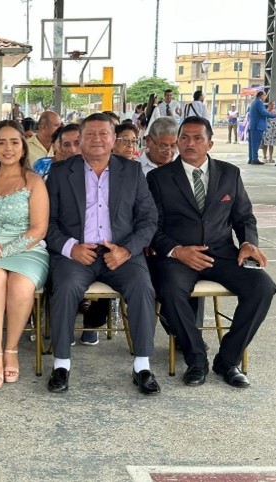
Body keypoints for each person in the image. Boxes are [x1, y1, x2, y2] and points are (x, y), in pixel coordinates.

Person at [147, 116, 276, 388]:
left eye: (197, 138)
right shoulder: (158, 178)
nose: (190, 143)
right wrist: (176, 251)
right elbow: (151, 226)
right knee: (169, 290)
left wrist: (248, 242)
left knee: (262, 287)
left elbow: (244, 217)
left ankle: (228, 360)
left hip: (222, 254)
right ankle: (196, 360)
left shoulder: (230, 174)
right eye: (184, 138)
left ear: (210, 144)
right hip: (179, 257)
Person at [45, 112, 160, 395]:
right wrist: (71, 248)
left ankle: (142, 366)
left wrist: (127, 250)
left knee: (142, 287)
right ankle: (61, 364)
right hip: (77, 253)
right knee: (65, 288)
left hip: (120, 254)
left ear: (113, 139)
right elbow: (48, 221)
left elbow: (148, 219)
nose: (97, 139)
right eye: (90, 134)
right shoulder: (61, 172)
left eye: (103, 134)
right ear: (80, 140)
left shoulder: (132, 171)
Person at [0, 120, 49, 389]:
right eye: (1, 143)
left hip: (28, 249)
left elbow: (38, 229)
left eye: (14, 142)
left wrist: (5, 250)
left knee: (19, 284)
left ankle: (11, 350)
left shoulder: (33, 181)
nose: (8, 148)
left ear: (23, 147)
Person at [248, 91, 276, 165]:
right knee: (256, 144)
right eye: (264, 95)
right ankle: (254, 159)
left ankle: (251, 158)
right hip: (258, 126)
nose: (265, 97)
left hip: (253, 125)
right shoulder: (259, 103)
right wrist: (274, 115)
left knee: (252, 144)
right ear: (261, 96)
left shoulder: (253, 102)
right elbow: (264, 113)